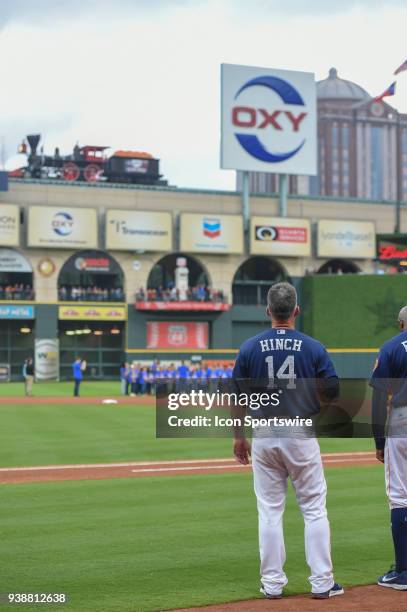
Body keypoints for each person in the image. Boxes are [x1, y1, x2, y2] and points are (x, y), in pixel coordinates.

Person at [232, 282, 343, 599]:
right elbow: (333, 392)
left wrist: (239, 437)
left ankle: (272, 584)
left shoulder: (250, 347)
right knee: (314, 509)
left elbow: (236, 395)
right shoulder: (313, 346)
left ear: (268, 311)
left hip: (264, 434)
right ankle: (322, 583)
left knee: (269, 511)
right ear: (296, 311)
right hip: (300, 431)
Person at [370, 305, 407, 590]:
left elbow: (378, 397)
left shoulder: (392, 347)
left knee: (400, 497)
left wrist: (379, 441)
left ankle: (403, 572)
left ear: (400, 324)